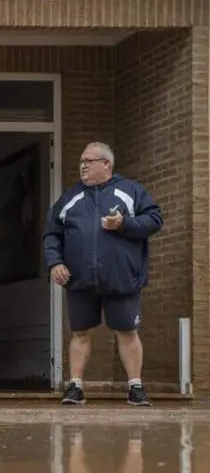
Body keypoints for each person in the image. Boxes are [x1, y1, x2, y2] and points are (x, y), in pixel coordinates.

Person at [43, 142, 163, 406]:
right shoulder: (69, 197)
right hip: (80, 278)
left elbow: (154, 219)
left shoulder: (131, 191)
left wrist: (124, 224)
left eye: (89, 161)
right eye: (81, 162)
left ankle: (135, 387)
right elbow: (52, 233)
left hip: (121, 276)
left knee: (127, 331)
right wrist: (55, 263)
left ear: (106, 164)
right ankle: (75, 387)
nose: (83, 166)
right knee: (80, 331)